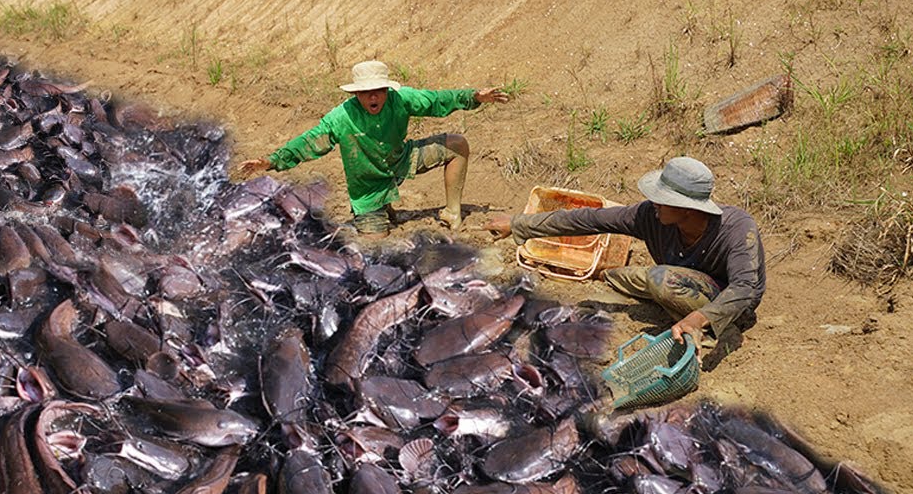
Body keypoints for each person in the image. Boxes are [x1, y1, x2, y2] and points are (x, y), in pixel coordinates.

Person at [482, 156, 764, 358]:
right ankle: (679, 307)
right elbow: (588, 219)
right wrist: (519, 225)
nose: (654, 203)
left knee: (659, 279)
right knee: (615, 276)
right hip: (684, 282)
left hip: (728, 303)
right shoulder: (650, 216)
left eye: (661, 199)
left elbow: (745, 289)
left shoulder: (737, 228)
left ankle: (720, 331)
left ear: (686, 208)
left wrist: (698, 319)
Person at [237, 60, 510, 237]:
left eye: (379, 90)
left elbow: (436, 100)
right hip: (368, 188)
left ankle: (452, 211)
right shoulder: (340, 118)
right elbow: (309, 143)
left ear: (386, 89)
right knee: (377, 239)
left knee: (457, 145)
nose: (374, 96)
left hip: (401, 160)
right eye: (367, 92)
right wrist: (271, 161)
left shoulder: (401, 99)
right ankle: (372, 213)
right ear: (355, 94)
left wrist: (474, 97)